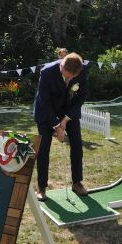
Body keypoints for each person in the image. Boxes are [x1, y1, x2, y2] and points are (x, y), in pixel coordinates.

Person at [33, 52, 88, 201]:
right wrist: (57, 126)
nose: (70, 79)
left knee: (77, 143)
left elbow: (81, 96)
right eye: (67, 75)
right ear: (62, 65)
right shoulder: (47, 72)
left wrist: (66, 119)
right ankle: (42, 187)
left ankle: (77, 182)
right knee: (44, 147)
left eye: (72, 77)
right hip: (46, 111)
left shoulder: (82, 70)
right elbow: (44, 101)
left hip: (69, 111)